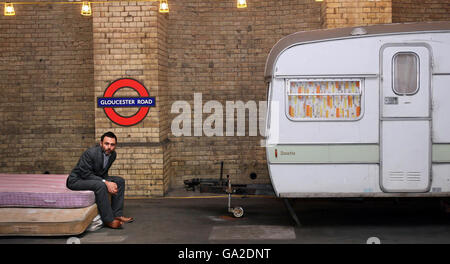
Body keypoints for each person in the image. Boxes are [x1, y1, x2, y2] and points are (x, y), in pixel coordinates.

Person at [66, 132, 133, 229]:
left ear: (115, 146)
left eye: (112, 144)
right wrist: (105, 182)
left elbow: (103, 172)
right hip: (78, 180)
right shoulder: (90, 153)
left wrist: (110, 183)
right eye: (106, 144)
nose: (109, 147)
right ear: (101, 143)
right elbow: (85, 174)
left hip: (94, 177)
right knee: (100, 186)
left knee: (119, 181)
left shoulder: (113, 155)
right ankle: (109, 220)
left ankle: (117, 214)